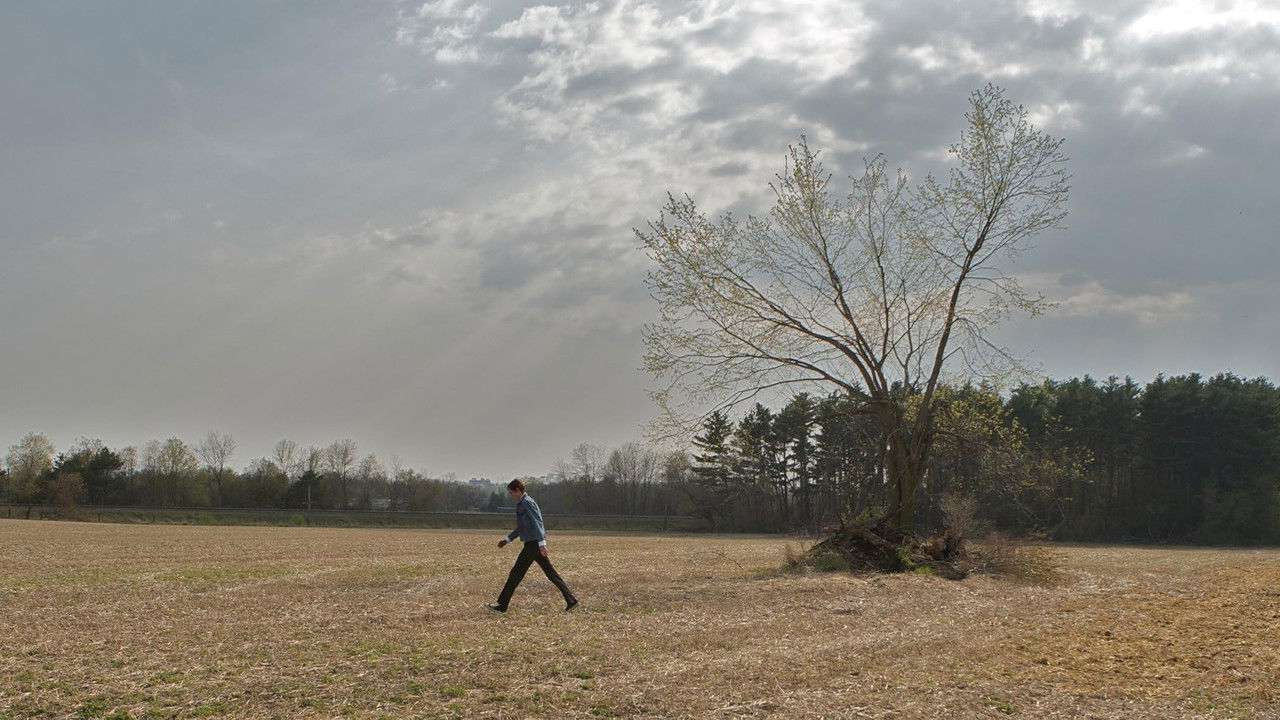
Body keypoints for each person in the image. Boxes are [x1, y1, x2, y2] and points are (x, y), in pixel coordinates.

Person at [487, 479, 578, 613]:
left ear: (518, 490)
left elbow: (538, 523)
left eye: (511, 493)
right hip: (532, 543)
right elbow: (522, 527)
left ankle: (502, 606)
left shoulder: (527, 503)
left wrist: (542, 544)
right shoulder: (522, 503)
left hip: (533, 544)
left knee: (515, 574)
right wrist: (507, 539)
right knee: (551, 573)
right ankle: (572, 601)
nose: (511, 496)